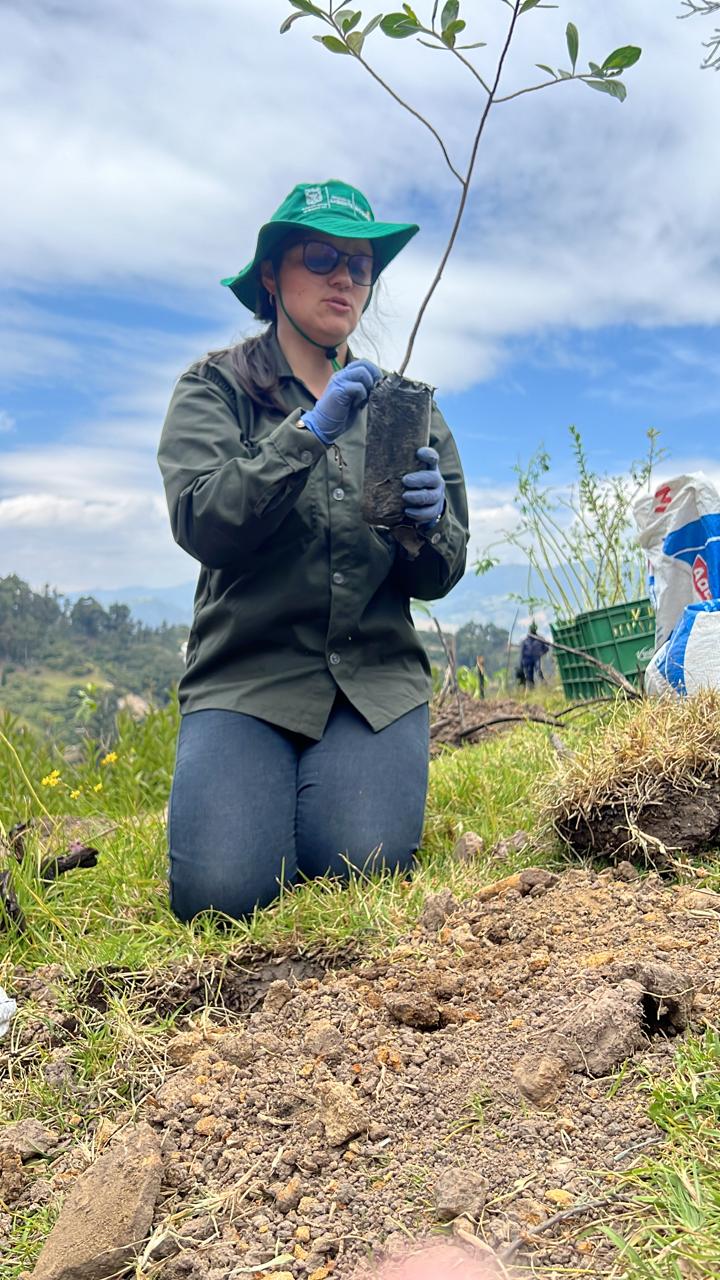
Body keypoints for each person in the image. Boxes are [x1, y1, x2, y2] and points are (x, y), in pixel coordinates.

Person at [157, 179, 469, 922]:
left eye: (359, 266)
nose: (344, 278)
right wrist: (308, 434)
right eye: (321, 256)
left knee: (361, 866)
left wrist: (425, 527)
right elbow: (204, 518)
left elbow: (443, 570)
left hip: (372, 681)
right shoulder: (215, 388)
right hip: (248, 677)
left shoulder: (406, 409)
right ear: (271, 275)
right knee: (219, 897)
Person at [519, 621, 549, 687]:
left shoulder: (539, 639)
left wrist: (541, 653)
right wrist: (521, 664)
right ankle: (532, 688)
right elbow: (522, 653)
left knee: (538, 671)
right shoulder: (526, 641)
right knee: (529, 675)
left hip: (536, 658)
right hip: (527, 660)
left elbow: (546, 648)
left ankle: (544, 684)